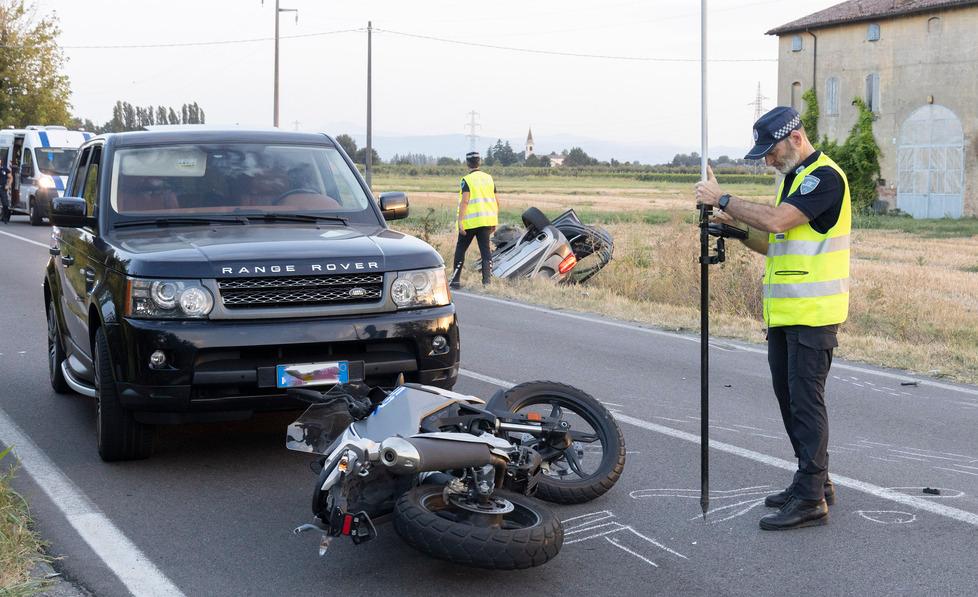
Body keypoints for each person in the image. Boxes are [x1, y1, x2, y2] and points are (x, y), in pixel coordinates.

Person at [694, 106, 851, 531]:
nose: (767, 160)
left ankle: (810, 500)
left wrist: (723, 198)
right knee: (790, 402)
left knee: (805, 404)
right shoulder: (794, 180)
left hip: (812, 313)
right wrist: (736, 229)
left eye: (771, 151)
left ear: (796, 138)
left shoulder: (824, 178)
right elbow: (776, 242)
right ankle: (815, 480)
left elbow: (779, 220)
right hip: (785, 312)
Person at [450, 151, 498, 289]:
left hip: (470, 223)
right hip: (486, 222)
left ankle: (455, 281)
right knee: (485, 252)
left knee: (461, 249)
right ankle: (487, 283)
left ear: (467, 163)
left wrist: (460, 222)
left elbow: (465, 202)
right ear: (480, 162)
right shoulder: (489, 178)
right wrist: (494, 221)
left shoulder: (466, 180)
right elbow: (496, 201)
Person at [0, 158, 11, 224]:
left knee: (5, 204)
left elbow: (10, 177)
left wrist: (8, 185)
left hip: (2, 188)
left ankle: (5, 218)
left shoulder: (4, 169)